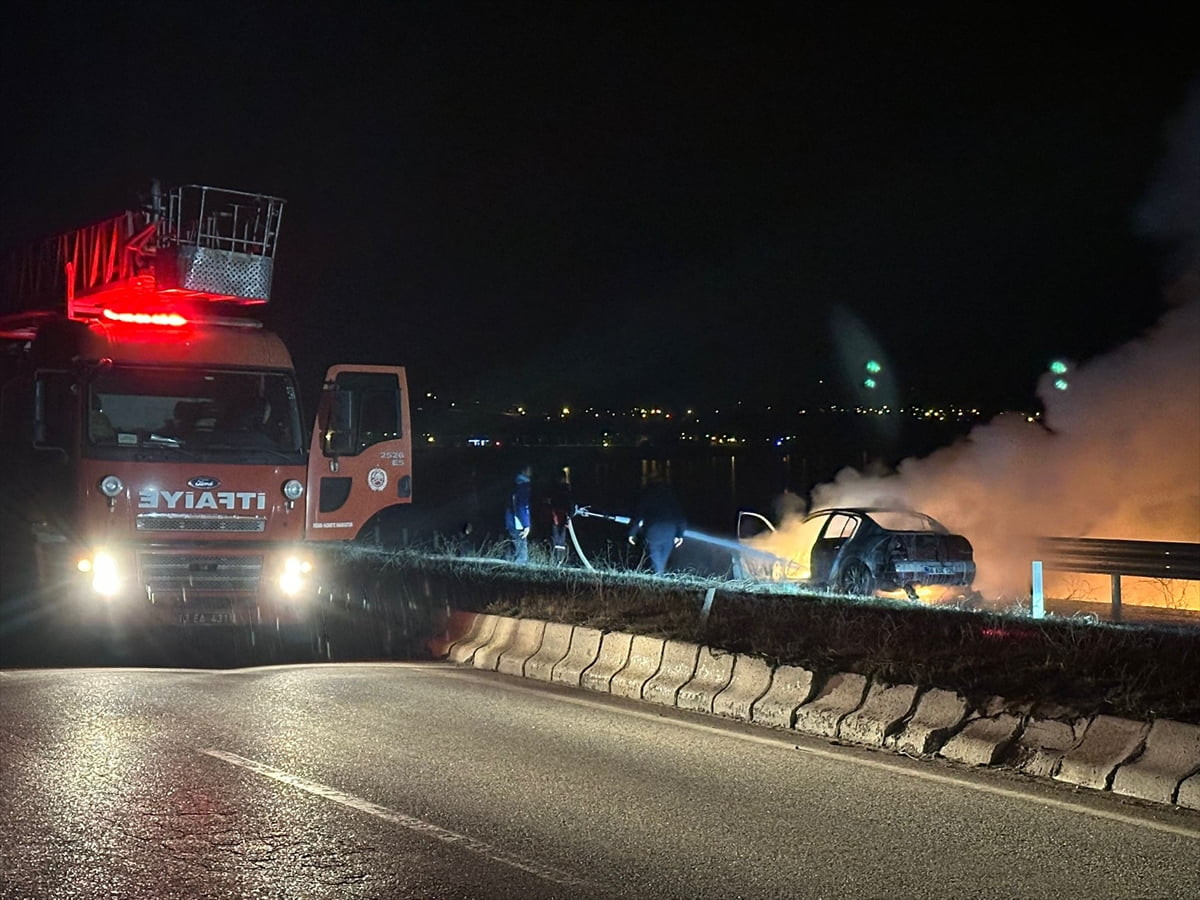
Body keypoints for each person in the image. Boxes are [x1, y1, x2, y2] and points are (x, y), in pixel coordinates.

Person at [628, 474, 687, 574]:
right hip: (669, 532)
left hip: (653, 532)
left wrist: (632, 533)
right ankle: (660, 580)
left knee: (655, 562)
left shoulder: (647, 497)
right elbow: (680, 517)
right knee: (661, 561)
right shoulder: (671, 498)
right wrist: (680, 535)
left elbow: (638, 517)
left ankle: (658, 580)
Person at [504, 464, 533, 563]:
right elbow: (522, 506)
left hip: (511, 520)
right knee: (521, 553)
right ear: (524, 471)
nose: (531, 472)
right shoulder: (523, 486)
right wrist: (526, 525)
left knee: (514, 547)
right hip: (517, 522)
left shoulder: (515, 485)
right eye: (529, 470)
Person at [547, 468, 574, 564]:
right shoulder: (560, 488)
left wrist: (569, 516)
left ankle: (559, 559)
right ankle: (557, 559)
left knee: (560, 538)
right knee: (557, 537)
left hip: (561, 515)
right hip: (557, 514)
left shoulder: (564, 489)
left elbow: (569, 503)